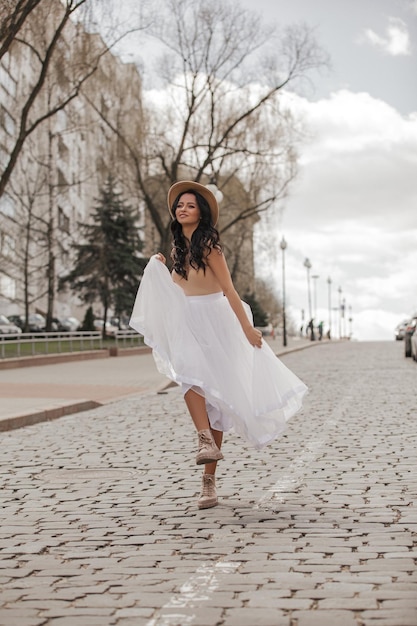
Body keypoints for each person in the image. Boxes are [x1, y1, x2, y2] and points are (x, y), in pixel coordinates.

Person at [130, 181, 307, 510]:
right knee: (188, 376)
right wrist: (159, 267)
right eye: (179, 205)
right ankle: (204, 438)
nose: (183, 209)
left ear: (201, 212)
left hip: (217, 320)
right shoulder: (177, 247)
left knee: (219, 401)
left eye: (190, 205)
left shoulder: (209, 244)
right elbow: (177, 287)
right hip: (188, 321)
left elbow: (228, 289)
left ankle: (208, 481)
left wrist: (247, 329)